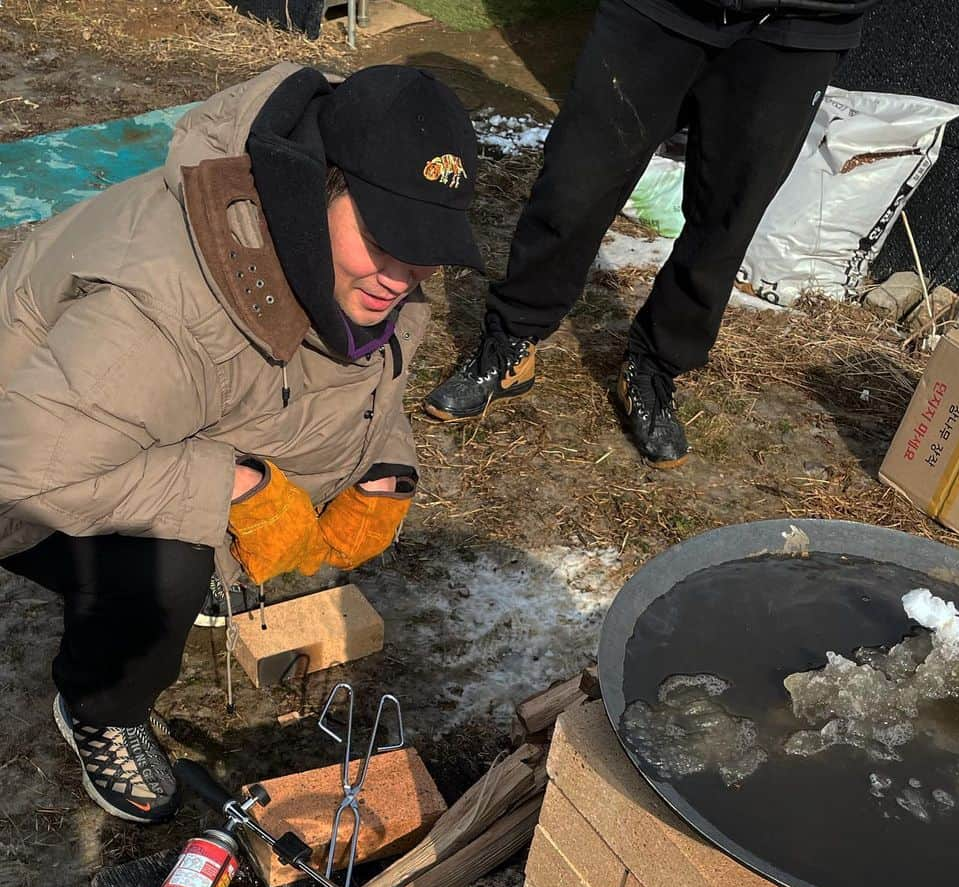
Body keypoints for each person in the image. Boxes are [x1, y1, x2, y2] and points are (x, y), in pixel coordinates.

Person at [0, 63, 483, 823]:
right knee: (169, 572)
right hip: (27, 457)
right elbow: (28, 466)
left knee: (199, 520)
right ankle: (99, 705)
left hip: (116, 422)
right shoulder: (164, 306)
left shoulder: (336, 259)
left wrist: (387, 463)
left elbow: (359, 373)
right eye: (386, 240)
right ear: (319, 182)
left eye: (425, 249)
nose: (401, 277)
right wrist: (238, 484)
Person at [422, 0, 869, 468]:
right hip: (660, 10)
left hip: (802, 26)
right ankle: (512, 337)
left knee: (725, 221)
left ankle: (654, 367)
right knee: (576, 182)